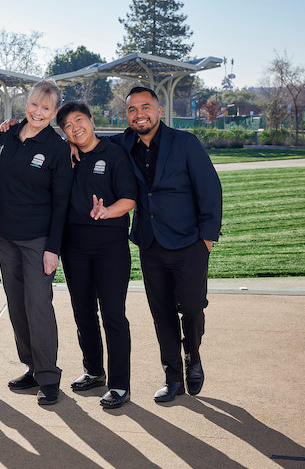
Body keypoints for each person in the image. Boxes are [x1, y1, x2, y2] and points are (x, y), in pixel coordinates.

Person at [111, 86, 222, 403]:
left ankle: (194, 355)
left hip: (189, 243)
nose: (139, 114)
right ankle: (172, 377)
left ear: (159, 111)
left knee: (191, 307)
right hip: (150, 243)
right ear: (127, 116)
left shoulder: (185, 142)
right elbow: (87, 140)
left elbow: (211, 191)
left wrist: (206, 241)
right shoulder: (123, 143)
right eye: (132, 109)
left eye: (145, 107)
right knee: (161, 313)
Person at [0, 80, 72, 406]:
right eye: (34, 105)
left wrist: (52, 249)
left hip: (38, 241)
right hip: (6, 237)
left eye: (46, 108)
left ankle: (49, 377)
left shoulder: (56, 147)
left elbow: (61, 202)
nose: (38, 112)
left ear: (54, 113)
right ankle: (32, 367)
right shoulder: (7, 134)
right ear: (26, 103)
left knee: (38, 307)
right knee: (16, 306)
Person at [56, 101, 136, 409]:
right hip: (74, 246)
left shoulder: (114, 154)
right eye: (68, 127)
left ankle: (119, 385)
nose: (76, 128)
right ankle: (93, 371)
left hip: (110, 245)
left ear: (91, 120)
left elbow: (129, 198)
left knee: (113, 315)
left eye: (79, 121)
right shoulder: (67, 155)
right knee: (83, 312)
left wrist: (107, 211)